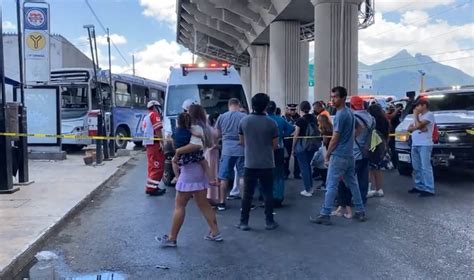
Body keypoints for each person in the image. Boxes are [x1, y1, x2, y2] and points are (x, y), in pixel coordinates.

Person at [157, 104, 222, 247]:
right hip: (198, 172)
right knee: (203, 204)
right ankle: (215, 232)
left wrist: (178, 151)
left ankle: (172, 237)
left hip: (188, 172)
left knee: (179, 205)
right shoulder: (202, 130)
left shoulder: (192, 130)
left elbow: (195, 146)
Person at [310, 86, 366, 225]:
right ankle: (360, 211)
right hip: (349, 155)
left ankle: (325, 213)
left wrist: (328, 154)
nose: (333, 99)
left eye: (335, 97)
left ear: (342, 98)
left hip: (339, 155)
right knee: (353, 183)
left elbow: (335, 137)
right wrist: (349, 140)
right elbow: (359, 128)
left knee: (331, 185)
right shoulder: (350, 113)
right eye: (332, 96)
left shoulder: (341, 115)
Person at [236, 93, 279, 231]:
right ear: (266, 106)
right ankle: (269, 221)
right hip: (267, 162)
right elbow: (275, 145)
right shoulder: (272, 123)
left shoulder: (244, 121)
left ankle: (244, 222)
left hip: (250, 162)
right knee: (267, 193)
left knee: (247, 194)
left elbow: (241, 142)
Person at [215, 98, 246, 211]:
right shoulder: (244, 117)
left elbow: (217, 134)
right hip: (241, 149)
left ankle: (222, 202)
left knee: (224, 177)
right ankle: (244, 203)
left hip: (227, 150)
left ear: (229, 105)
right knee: (243, 176)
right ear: (238, 105)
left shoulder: (222, 117)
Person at [171, 112, 216, 187]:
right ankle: (211, 179)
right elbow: (198, 135)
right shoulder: (189, 130)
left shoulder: (175, 131)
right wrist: (201, 137)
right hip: (193, 155)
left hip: (181, 156)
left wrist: (177, 149)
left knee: (173, 161)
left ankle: (177, 177)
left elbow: (173, 142)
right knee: (204, 163)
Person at [267, 101, 294, 207]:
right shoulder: (280, 119)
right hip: (279, 148)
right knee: (278, 175)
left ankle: (266, 195)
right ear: (274, 109)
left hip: (265, 150)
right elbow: (291, 128)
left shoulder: (264, 119)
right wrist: (283, 135)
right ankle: (278, 196)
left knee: (265, 174)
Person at [407, 98, 435, 197]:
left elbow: (419, 126)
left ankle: (429, 188)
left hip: (425, 144)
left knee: (425, 166)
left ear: (424, 105)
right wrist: (417, 125)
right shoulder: (419, 116)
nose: (416, 108)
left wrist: (416, 119)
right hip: (415, 143)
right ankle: (419, 185)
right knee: (416, 166)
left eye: (418, 105)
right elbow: (410, 128)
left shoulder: (429, 115)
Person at [293, 101, 320, 197]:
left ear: (301, 109)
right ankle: (310, 187)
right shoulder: (314, 119)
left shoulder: (300, 120)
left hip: (302, 145)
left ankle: (307, 189)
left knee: (304, 167)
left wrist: (293, 148)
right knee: (308, 166)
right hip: (312, 145)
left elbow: (296, 135)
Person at [351, 96, 375, 204]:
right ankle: (362, 198)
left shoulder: (353, 118)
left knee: (348, 177)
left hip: (354, 152)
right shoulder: (371, 118)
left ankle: (346, 200)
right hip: (367, 150)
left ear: (351, 106)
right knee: (363, 177)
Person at [367, 103, 391, 198]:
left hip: (373, 146)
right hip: (382, 146)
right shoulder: (385, 121)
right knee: (378, 168)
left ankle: (368, 188)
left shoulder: (372, 122)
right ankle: (379, 189)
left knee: (369, 169)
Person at [142, 100, 166, 196]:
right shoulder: (154, 115)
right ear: (155, 107)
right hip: (154, 144)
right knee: (157, 166)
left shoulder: (146, 117)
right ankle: (151, 189)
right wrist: (162, 142)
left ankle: (152, 186)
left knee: (152, 167)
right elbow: (158, 129)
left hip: (149, 145)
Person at [312, 113, 333, 190]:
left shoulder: (324, 130)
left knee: (323, 167)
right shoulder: (331, 127)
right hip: (331, 149)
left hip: (326, 150)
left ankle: (325, 184)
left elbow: (324, 142)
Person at [282, 104, 301, 179]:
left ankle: (297, 173)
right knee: (286, 157)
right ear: (287, 109)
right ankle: (285, 173)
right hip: (287, 139)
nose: (292, 111)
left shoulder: (299, 118)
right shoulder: (284, 118)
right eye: (291, 110)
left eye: (294, 110)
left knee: (297, 157)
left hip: (296, 139)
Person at [206, 112, 221, 205]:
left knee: (208, 173)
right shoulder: (214, 131)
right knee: (213, 173)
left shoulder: (207, 130)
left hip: (207, 153)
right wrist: (218, 146)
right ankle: (212, 196)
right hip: (213, 153)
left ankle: (208, 195)